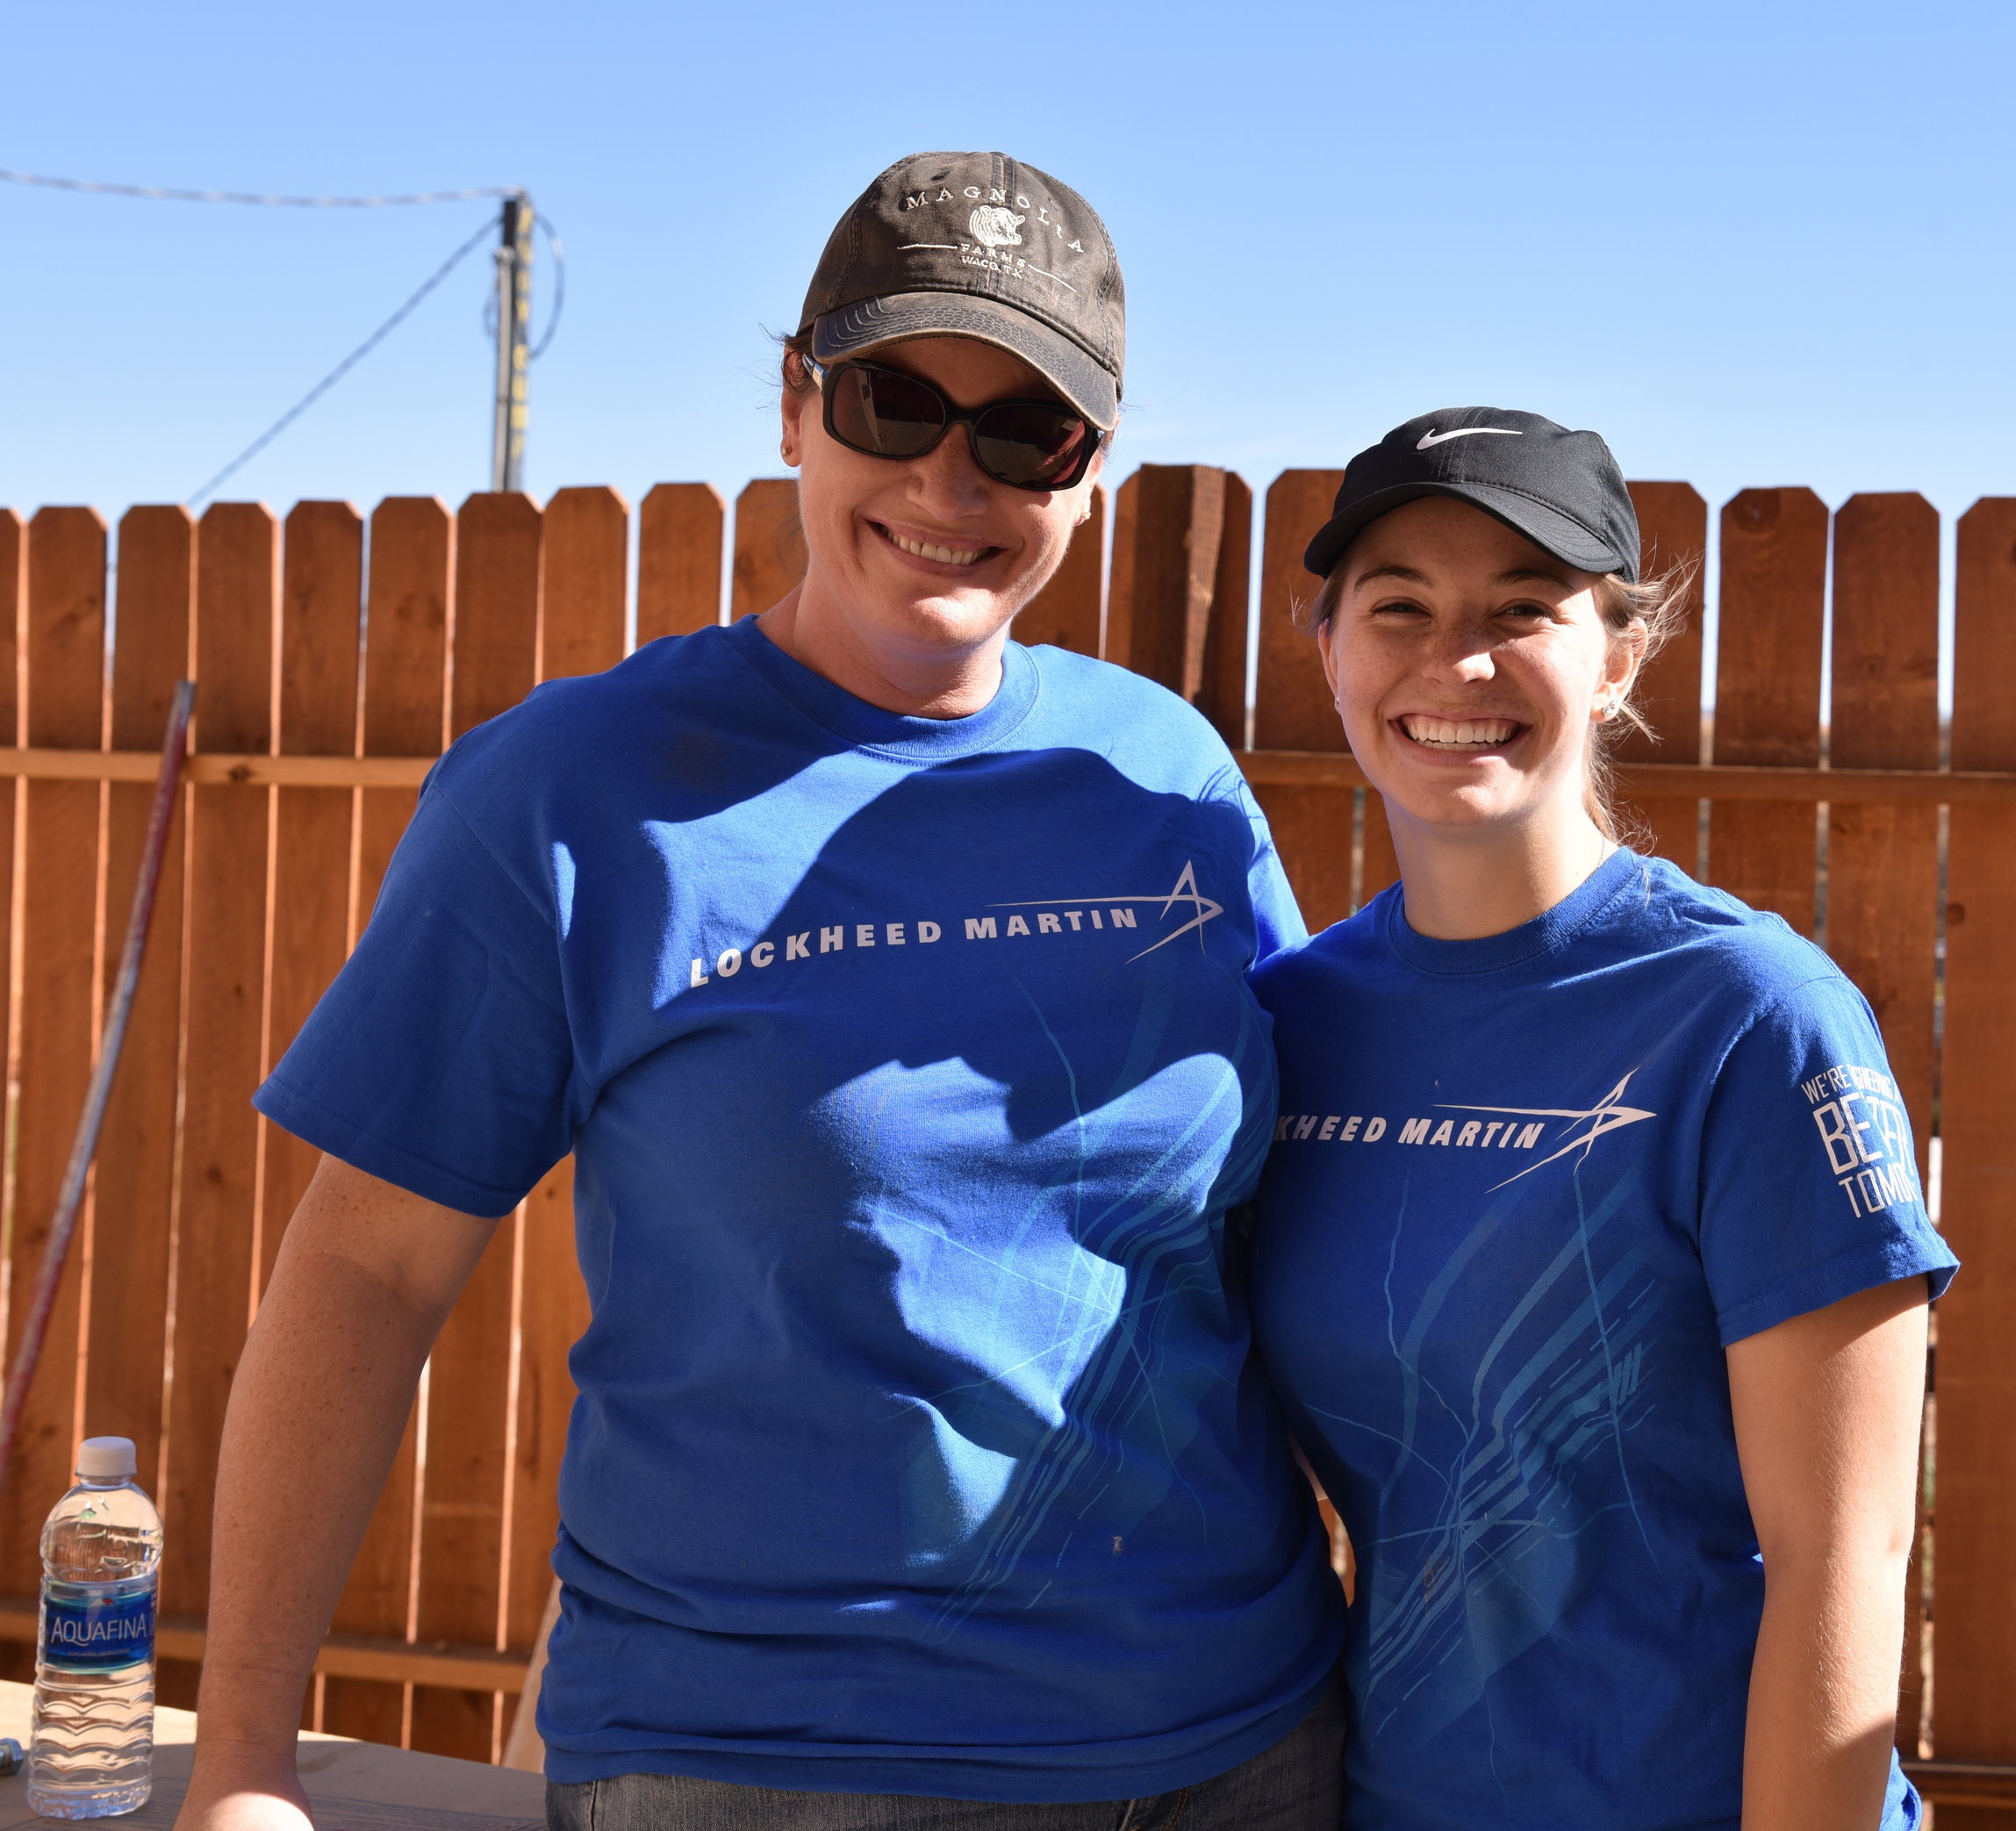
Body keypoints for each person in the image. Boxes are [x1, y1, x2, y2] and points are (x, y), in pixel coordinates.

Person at [177, 152, 1345, 1831]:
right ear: (794, 405)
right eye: (895, 401)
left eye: (1029, 432)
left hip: (1242, 1747)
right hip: (772, 1768)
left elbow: (1282, 1227)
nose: (954, 478)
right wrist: (242, 1769)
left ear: (1091, 474)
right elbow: (360, 1272)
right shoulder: (574, 794)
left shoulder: (1167, 777)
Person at [1245, 410, 1958, 1831]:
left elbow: (1843, 1551)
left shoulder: (1748, 1017)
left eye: (1525, 610)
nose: (1458, 664)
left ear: (1620, 657)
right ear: (1330, 652)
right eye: (1401, 608)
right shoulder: (1293, 1023)